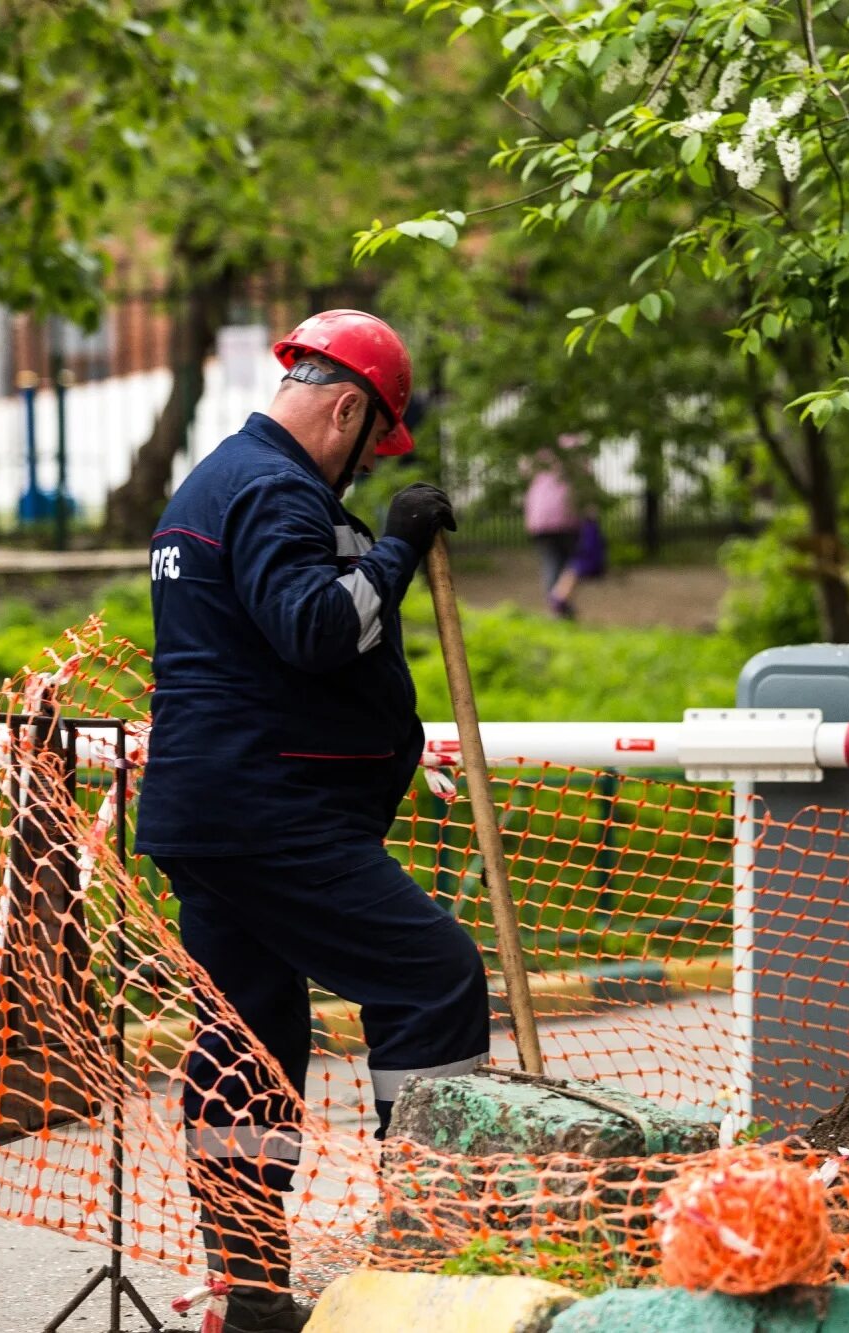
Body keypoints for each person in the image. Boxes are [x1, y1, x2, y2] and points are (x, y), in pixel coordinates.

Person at [137, 309, 490, 1332]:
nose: (358, 466)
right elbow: (316, 627)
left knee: (249, 1040)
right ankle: (429, 1253)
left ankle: (251, 1291)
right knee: (431, 976)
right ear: (345, 406)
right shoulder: (275, 488)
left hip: (220, 811)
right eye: (368, 443)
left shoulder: (219, 482)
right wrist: (395, 547)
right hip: (268, 813)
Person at [522, 433, 588, 619]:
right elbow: (585, 474)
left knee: (551, 562)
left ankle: (557, 607)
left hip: (539, 515)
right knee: (574, 562)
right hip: (567, 512)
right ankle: (561, 602)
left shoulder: (537, 447)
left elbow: (525, 473)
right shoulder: (575, 444)